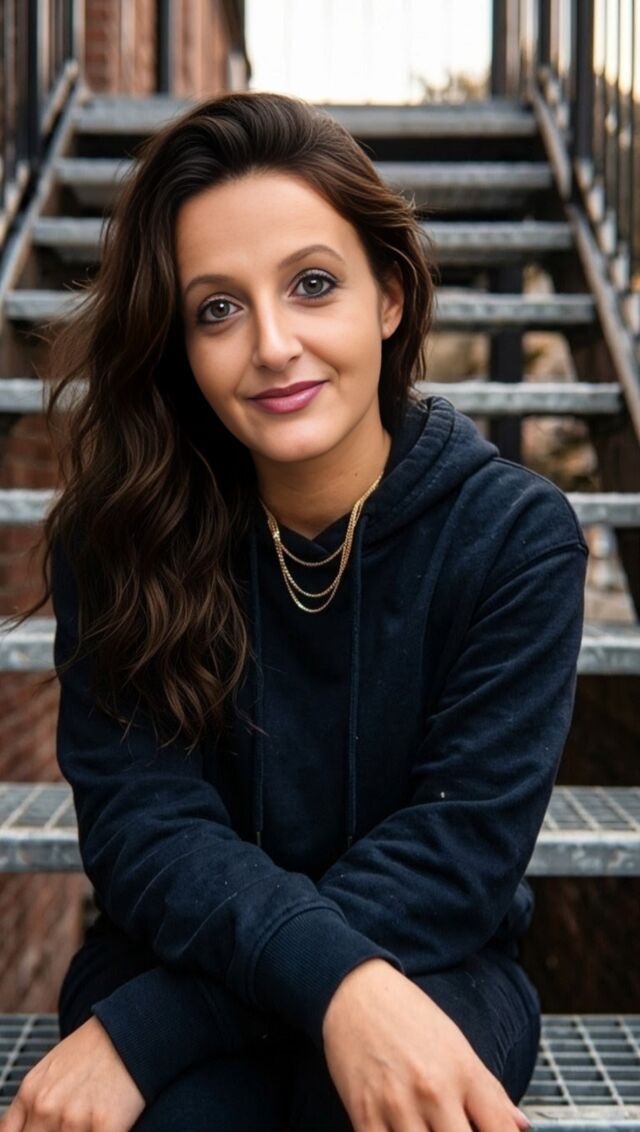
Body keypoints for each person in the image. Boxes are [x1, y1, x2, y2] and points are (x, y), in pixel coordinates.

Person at [0, 90, 588, 1132]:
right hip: (173, 946)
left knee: (369, 1105)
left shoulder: (512, 538)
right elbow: (146, 828)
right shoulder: (123, 532)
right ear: (179, 343)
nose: (272, 344)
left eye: (312, 285)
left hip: (432, 959)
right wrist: (320, 983)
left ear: (389, 296)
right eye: (217, 309)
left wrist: (170, 1024)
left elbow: (455, 854)